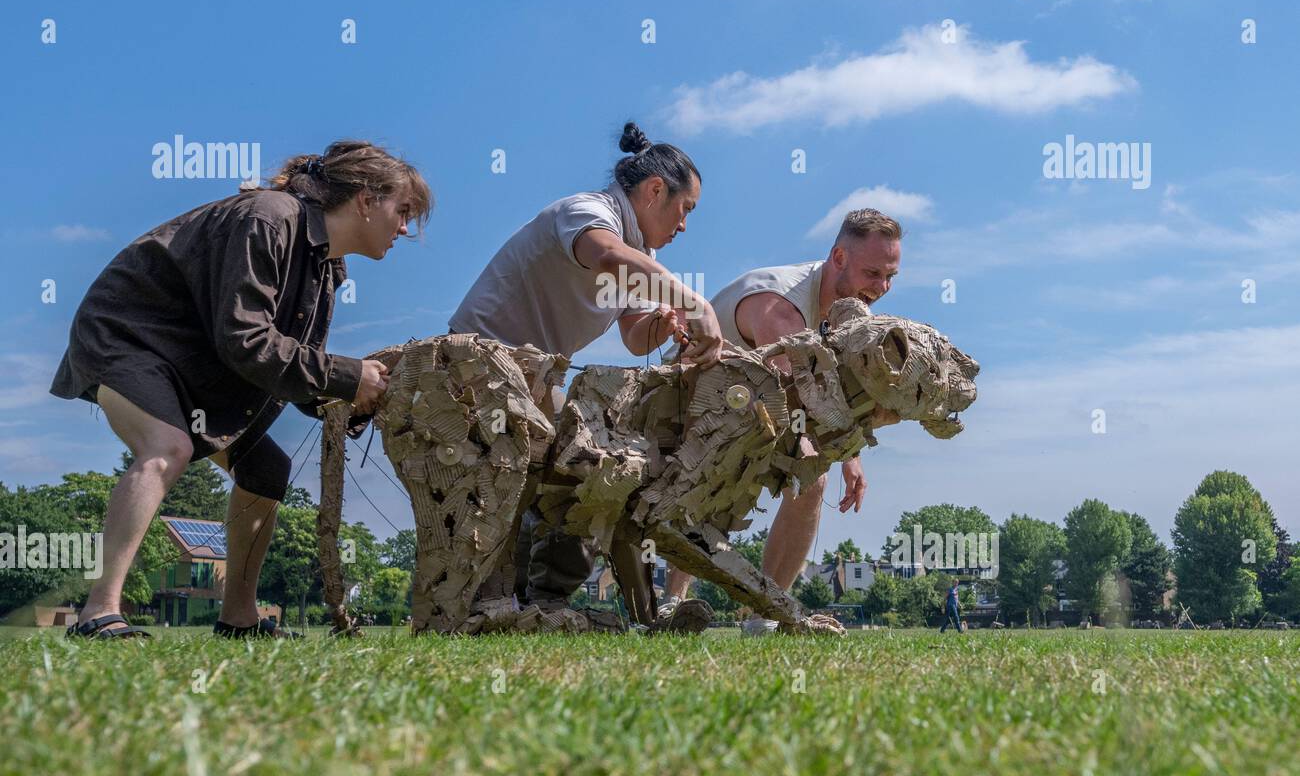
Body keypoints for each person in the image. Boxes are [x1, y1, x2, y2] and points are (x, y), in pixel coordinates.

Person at [50, 140, 431, 639]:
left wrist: (355, 397)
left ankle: (239, 620)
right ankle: (98, 612)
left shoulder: (325, 266)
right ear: (365, 199)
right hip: (128, 334)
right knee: (167, 447)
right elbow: (246, 340)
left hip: (195, 362)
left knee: (267, 469)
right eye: (402, 212)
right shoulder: (270, 218)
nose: (404, 229)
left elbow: (284, 367)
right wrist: (345, 375)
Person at [448, 121, 723, 627]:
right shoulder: (589, 211)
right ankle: (496, 603)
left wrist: (664, 323)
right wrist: (695, 303)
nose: (685, 225)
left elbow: (634, 337)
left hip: (533, 378)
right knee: (541, 477)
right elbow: (607, 256)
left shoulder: (645, 255)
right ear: (655, 190)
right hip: (476, 366)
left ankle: (538, 602)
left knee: (587, 473)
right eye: (686, 210)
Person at [659, 208, 903, 634]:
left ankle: (764, 615)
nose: (881, 288)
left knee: (812, 479)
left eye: (890, 276)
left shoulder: (846, 314)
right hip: (681, 406)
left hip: (754, 406)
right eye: (873, 273)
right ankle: (669, 604)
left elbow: (827, 393)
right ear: (839, 258)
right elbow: (806, 398)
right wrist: (842, 448)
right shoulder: (782, 306)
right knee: (723, 472)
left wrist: (851, 456)